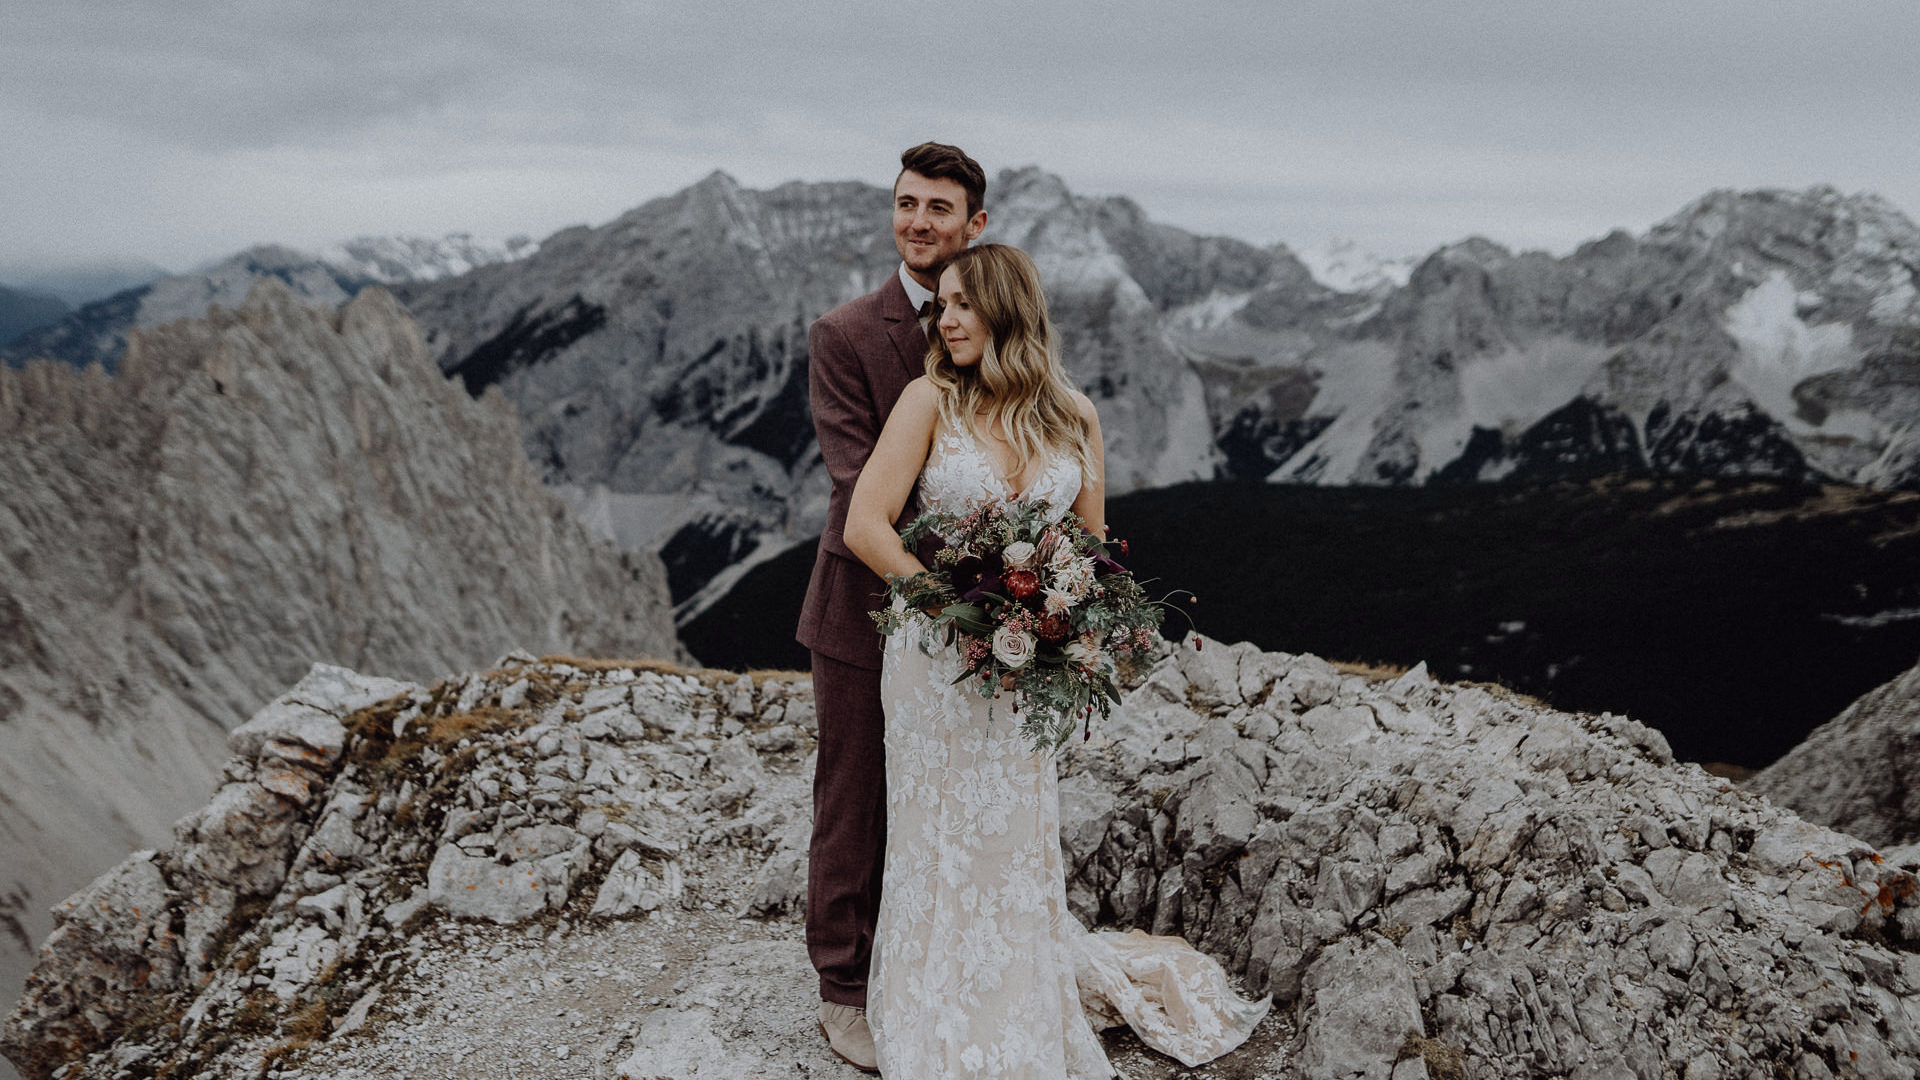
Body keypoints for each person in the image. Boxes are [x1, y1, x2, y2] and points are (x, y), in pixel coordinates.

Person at [844, 244, 1270, 1078]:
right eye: (942, 305)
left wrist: (1074, 628)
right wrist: (952, 611)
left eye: (964, 304)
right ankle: (933, 1004)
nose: (947, 319)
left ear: (1009, 310)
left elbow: (1092, 550)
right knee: (938, 835)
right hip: (936, 663)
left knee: (1013, 830)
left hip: (1029, 669)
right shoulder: (927, 399)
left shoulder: (1075, 414)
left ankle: (1017, 997)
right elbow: (867, 525)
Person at [797, 141, 988, 1072]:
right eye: (907, 203)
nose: (919, 221)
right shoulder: (843, 333)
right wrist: (977, 574)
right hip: (862, 607)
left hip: (980, 614)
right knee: (855, 797)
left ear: (974, 225)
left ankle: (925, 963)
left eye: (939, 208)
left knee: (941, 793)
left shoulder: (992, 326)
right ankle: (842, 987)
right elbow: (852, 486)